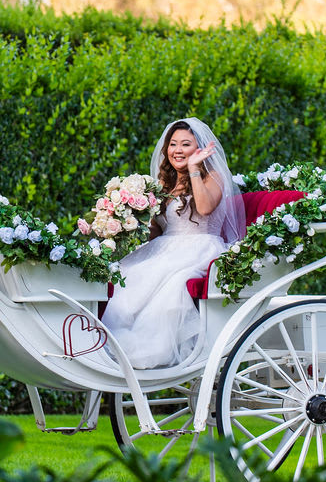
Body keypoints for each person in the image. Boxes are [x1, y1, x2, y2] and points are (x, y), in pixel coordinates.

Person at [101, 118, 246, 369]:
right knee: (126, 273)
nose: (177, 150)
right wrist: (127, 220)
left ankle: (144, 349)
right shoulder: (164, 184)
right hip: (167, 246)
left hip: (200, 247)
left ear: (199, 148)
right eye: (173, 144)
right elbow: (157, 229)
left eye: (186, 144)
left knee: (171, 283)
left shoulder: (214, 177)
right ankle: (108, 343)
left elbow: (203, 207)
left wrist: (193, 169)